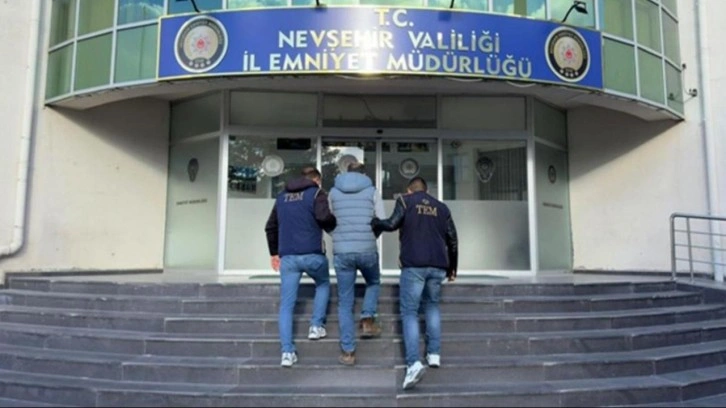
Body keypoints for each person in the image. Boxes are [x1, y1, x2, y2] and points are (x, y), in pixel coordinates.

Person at [371, 176, 458, 390]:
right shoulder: (441, 207)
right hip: (438, 266)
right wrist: (452, 268)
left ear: (409, 190)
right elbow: (452, 239)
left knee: (409, 312)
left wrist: (375, 223)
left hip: (414, 265)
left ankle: (413, 364)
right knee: (432, 306)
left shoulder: (405, 201)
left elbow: (392, 224)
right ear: (426, 190)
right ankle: (434, 354)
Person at [264, 166, 337, 367]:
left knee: (287, 304)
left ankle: (287, 352)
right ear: (316, 180)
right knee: (322, 284)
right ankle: (316, 326)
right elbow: (324, 217)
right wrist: (334, 225)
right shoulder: (316, 193)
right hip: (313, 254)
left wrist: (274, 253)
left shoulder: (281, 197)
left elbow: (270, 227)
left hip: (288, 258)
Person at [328, 156, 386, 366]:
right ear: (363, 174)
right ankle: (367, 318)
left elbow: (328, 219)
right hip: (367, 249)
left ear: (346, 172)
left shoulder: (333, 192)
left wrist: (337, 236)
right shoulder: (372, 191)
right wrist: (371, 237)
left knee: (345, 302)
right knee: (373, 282)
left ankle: (348, 352)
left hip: (342, 251)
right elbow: (381, 219)